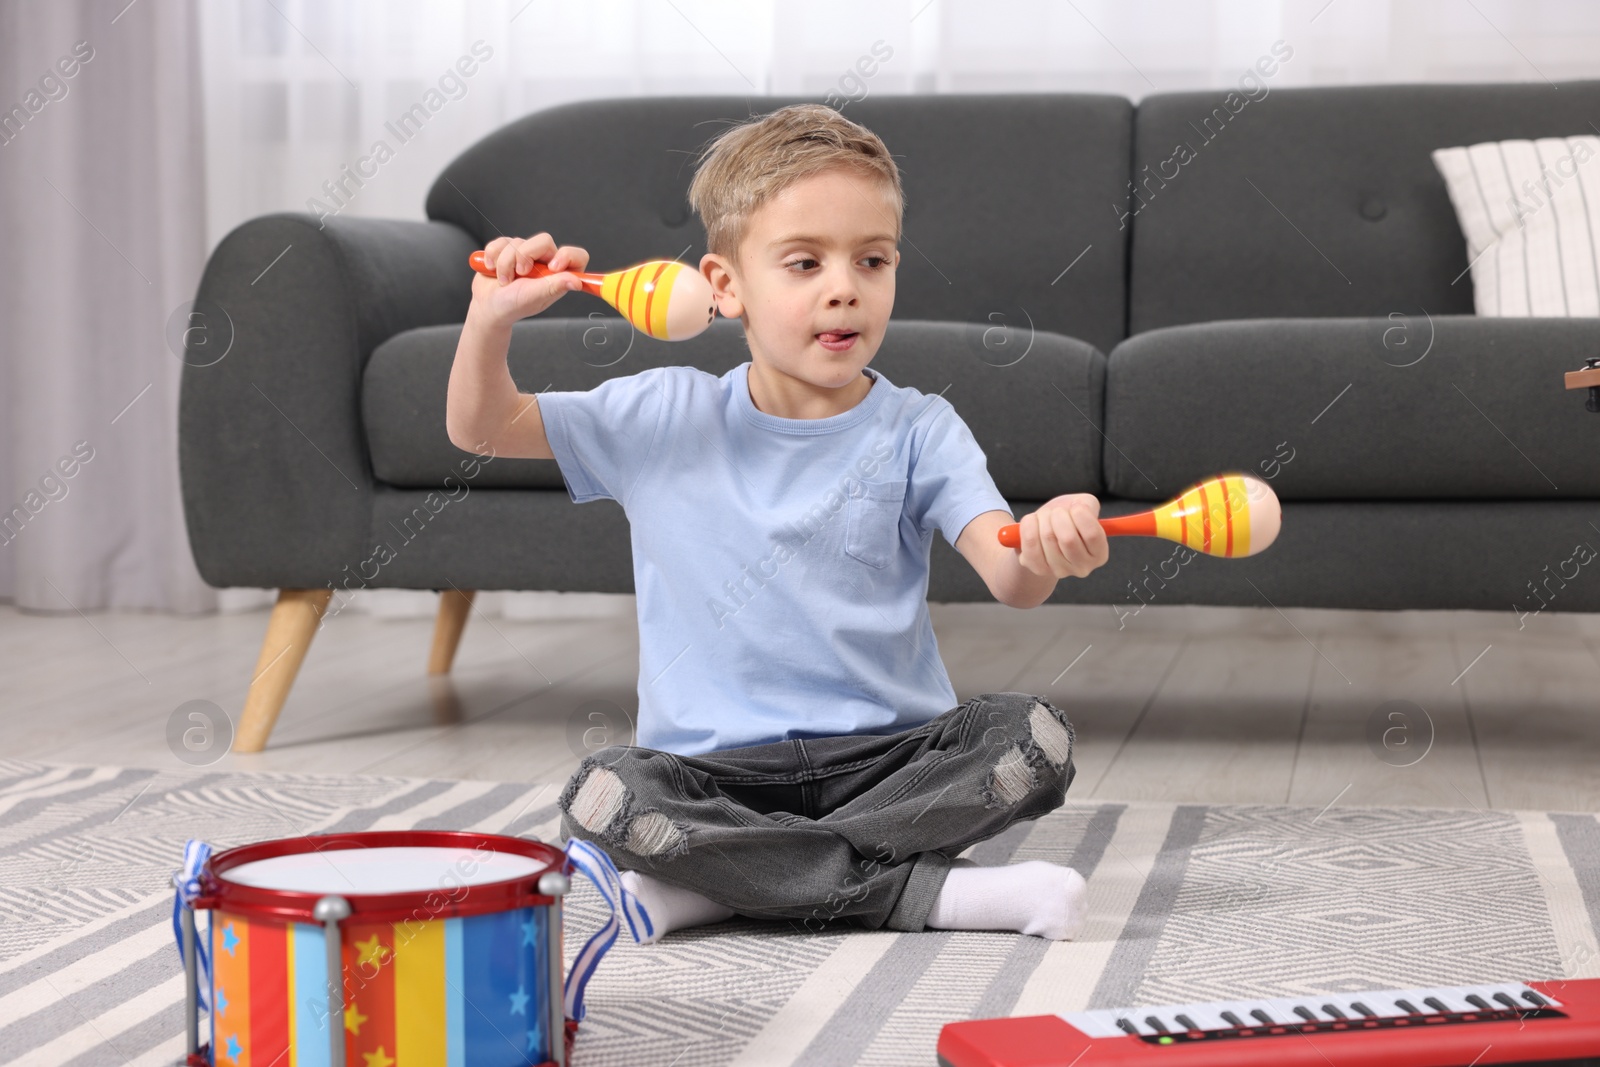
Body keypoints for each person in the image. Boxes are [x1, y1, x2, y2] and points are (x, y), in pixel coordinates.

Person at [446, 103, 1109, 943]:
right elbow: (479, 428)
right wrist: (490, 317)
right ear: (725, 287)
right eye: (804, 262)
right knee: (604, 795)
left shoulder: (920, 428)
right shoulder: (659, 414)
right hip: (707, 778)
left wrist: (1052, 540)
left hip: (892, 766)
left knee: (1033, 739)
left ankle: (721, 885)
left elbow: (1013, 577)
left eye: (873, 259)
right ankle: (931, 895)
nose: (845, 286)